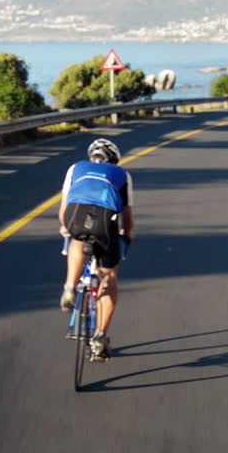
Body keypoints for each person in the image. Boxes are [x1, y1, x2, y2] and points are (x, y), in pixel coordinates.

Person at [58, 137, 135, 361]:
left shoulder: (76, 168)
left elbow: (65, 205)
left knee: (77, 240)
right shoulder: (122, 174)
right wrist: (128, 233)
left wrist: (65, 227)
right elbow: (127, 215)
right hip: (105, 220)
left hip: (76, 213)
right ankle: (100, 337)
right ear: (114, 159)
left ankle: (70, 287)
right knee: (109, 275)